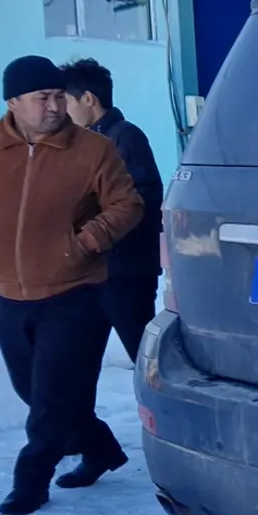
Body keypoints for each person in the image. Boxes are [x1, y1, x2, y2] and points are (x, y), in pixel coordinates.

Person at [0, 56, 144, 515]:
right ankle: (103, 448)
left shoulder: (92, 149)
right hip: (8, 295)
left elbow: (128, 204)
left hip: (75, 295)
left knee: (49, 400)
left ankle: (29, 482)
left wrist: (84, 243)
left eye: (58, 97)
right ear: (13, 102)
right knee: (35, 392)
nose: (54, 107)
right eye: (41, 98)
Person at [59, 58, 164, 360]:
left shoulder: (124, 136)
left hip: (125, 272)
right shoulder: (86, 143)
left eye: (64, 101)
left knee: (145, 358)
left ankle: (162, 406)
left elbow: (140, 198)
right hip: (95, 271)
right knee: (78, 358)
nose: (59, 111)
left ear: (88, 99)